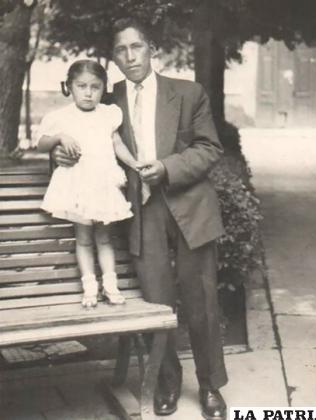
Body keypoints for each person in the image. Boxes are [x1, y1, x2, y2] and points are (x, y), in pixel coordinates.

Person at [53, 19, 228, 419]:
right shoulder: (103, 98)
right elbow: (73, 132)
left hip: (191, 208)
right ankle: (165, 382)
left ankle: (210, 386)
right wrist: (61, 152)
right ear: (112, 58)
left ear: (151, 49)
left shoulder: (187, 93)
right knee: (156, 301)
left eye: (136, 47)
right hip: (140, 210)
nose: (130, 57)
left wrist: (166, 168)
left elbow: (208, 149)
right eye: (120, 50)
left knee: (201, 300)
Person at [35, 59, 140, 309]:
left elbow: (117, 145)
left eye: (95, 87)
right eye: (81, 86)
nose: (88, 92)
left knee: (104, 239)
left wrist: (136, 164)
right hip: (78, 185)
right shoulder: (60, 117)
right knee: (83, 239)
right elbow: (41, 143)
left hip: (103, 184)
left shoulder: (109, 114)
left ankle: (111, 287)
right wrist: (60, 136)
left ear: (103, 89)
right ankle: (89, 288)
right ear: (69, 87)